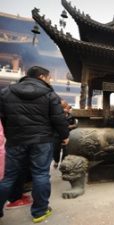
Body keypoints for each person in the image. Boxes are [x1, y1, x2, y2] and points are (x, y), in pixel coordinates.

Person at [0, 66, 69, 223]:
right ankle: (39, 212)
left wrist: (11, 134)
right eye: (49, 77)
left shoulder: (6, 92)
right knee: (41, 174)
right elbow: (58, 119)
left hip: (16, 140)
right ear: (42, 77)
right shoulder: (49, 94)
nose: (50, 80)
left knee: (9, 176)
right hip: (41, 141)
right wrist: (64, 136)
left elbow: (3, 118)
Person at [53, 100, 78, 168]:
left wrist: (71, 126)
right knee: (56, 150)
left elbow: (76, 125)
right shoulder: (57, 115)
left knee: (66, 150)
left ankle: (63, 163)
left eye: (67, 108)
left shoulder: (72, 116)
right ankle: (56, 161)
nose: (66, 109)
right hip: (57, 135)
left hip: (67, 134)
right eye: (64, 108)